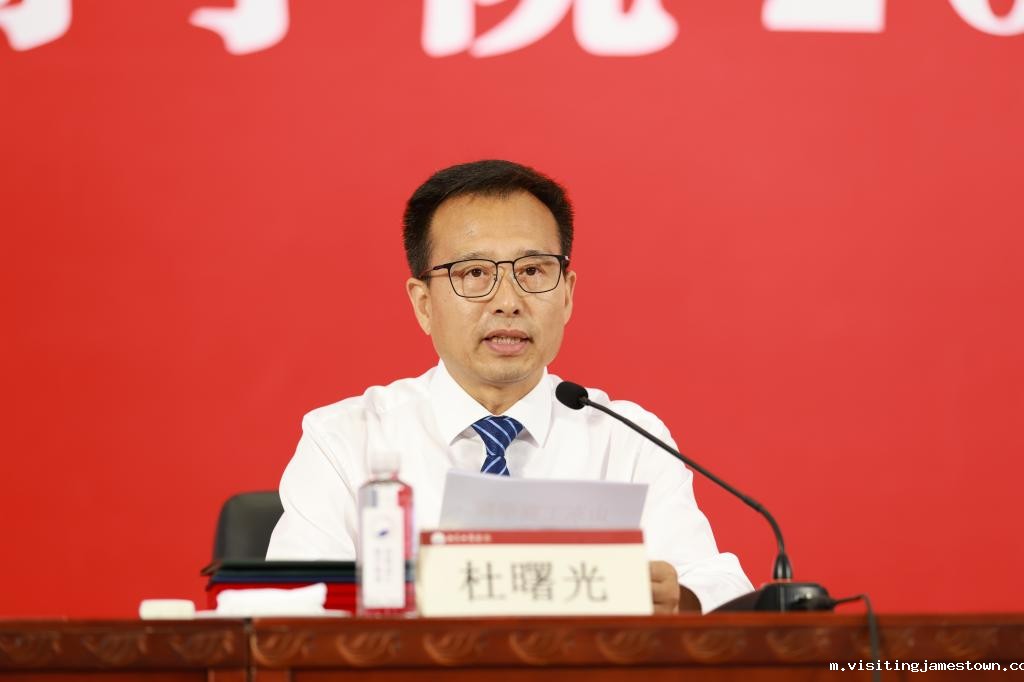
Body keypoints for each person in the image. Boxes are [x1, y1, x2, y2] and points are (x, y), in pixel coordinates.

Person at [266, 159, 752, 612]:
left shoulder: (626, 438)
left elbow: (719, 585)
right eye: (475, 273)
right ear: (423, 304)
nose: (508, 301)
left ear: (567, 296)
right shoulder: (346, 440)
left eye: (533, 271)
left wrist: (678, 600)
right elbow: (290, 612)